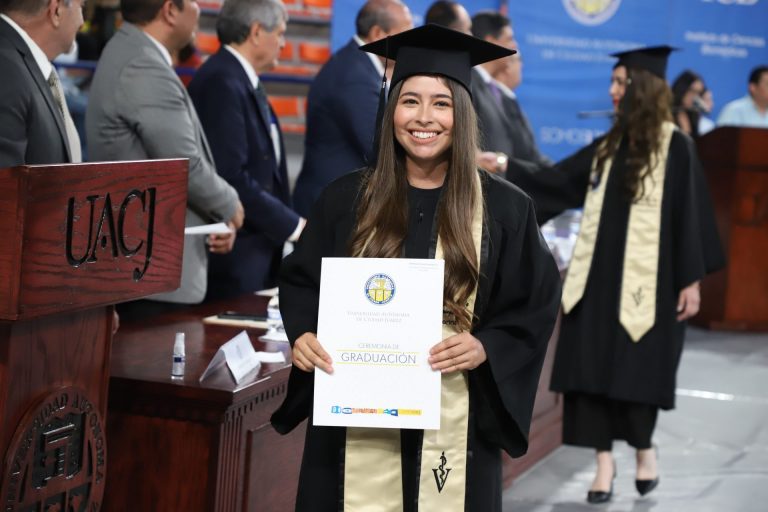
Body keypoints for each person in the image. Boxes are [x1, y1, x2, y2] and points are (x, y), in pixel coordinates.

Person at [270, 24, 562, 511]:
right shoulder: (345, 199)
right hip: (354, 417)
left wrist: (486, 346)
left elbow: (535, 303)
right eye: (410, 101)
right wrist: (303, 334)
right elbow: (302, 282)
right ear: (391, 110)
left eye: (441, 103)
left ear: (462, 113)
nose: (424, 118)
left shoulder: (506, 209)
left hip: (456, 416)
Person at [508, 46, 725, 504]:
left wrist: (691, 281)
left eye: (620, 82)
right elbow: (560, 181)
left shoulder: (676, 146)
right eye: (613, 81)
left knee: (638, 371)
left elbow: (690, 216)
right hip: (598, 277)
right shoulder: (609, 145)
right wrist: (505, 167)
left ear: (642, 89)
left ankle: (644, 450)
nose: (612, 90)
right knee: (590, 371)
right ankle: (603, 465)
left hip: (652, 282)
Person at [86, 0, 244, 315]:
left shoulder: (132, 52)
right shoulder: (142, 65)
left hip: (145, 271)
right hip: (150, 275)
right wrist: (230, 204)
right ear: (170, 10)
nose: (200, 10)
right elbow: (185, 165)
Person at [188, 0, 303, 300]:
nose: (283, 44)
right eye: (280, 33)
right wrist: (293, 226)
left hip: (254, 250)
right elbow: (230, 174)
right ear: (256, 32)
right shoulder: (222, 80)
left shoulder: (237, 78)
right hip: (235, 257)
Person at [291, 0, 412, 217]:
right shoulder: (355, 77)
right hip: (331, 209)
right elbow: (380, 146)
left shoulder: (357, 64)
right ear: (378, 33)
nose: (409, 44)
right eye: (405, 34)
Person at [0, 0, 84, 167]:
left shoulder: (17, 64)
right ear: (56, 11)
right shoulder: (7, 72)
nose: (82, 22)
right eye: (81, 6)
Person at [470, 11, 517, 175]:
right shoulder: (468, 81)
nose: (515, 46)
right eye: (509, 39)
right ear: (491, 41)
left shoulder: (494, 88)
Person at [493, 47, 553, 166]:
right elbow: (522, 150)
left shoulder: (508, 99)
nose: (522, 66)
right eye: (520, 60)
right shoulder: (499, 100)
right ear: (507, 65)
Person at [671, 69, 708, 138]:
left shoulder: (694, 115)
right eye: (692, 91)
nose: (695, 98)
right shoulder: (667, 111)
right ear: (682, 88)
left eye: (699, 93)